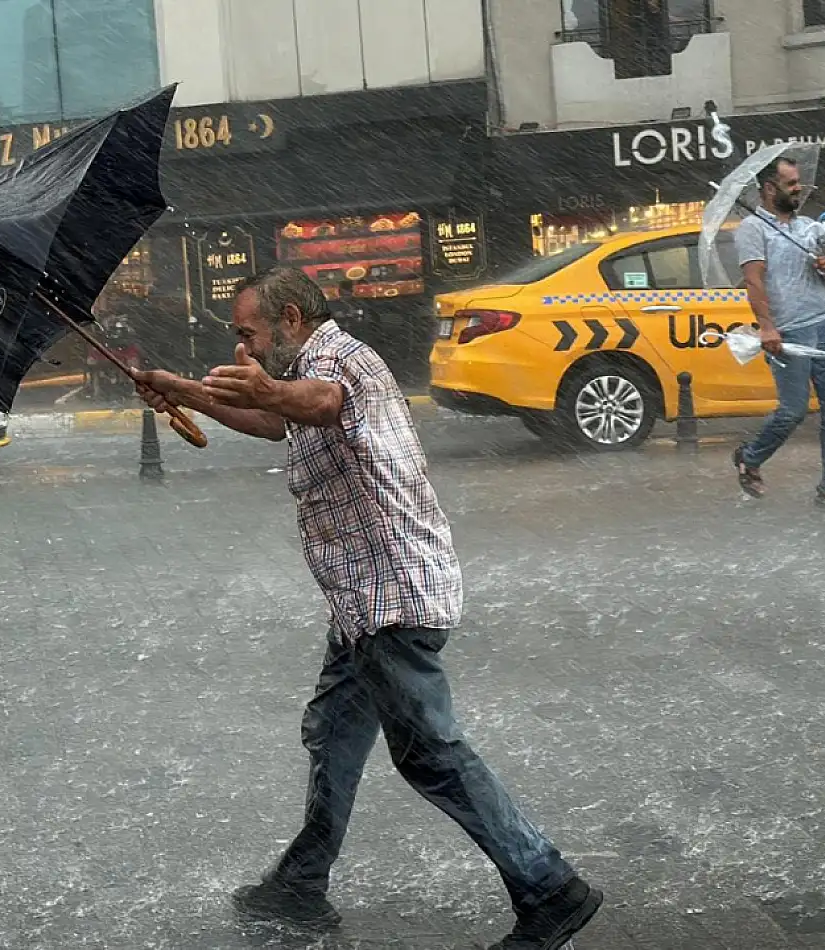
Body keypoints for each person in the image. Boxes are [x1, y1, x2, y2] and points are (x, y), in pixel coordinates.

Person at [134, 267, 601, 950]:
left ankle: (549, 887)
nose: (248, 347)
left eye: (249, 334)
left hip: (394, 597)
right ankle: (302, 880)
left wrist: (267, 387)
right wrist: (184, 392)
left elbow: (319, 402)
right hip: (362, 602)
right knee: (335, 731)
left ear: (290, 318)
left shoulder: (339, 361)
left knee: (430, 754)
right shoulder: (305, 368)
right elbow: (275, 419)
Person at [733, 157, 825, 506]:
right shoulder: (753, 229)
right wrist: (767, 326)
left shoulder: (809, 226)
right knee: (792, 411)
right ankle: (750, 456)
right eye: (791, 184)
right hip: (789, 331)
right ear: (769, 189)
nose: (799, 189)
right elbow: (753, 279)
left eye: (799, 182)